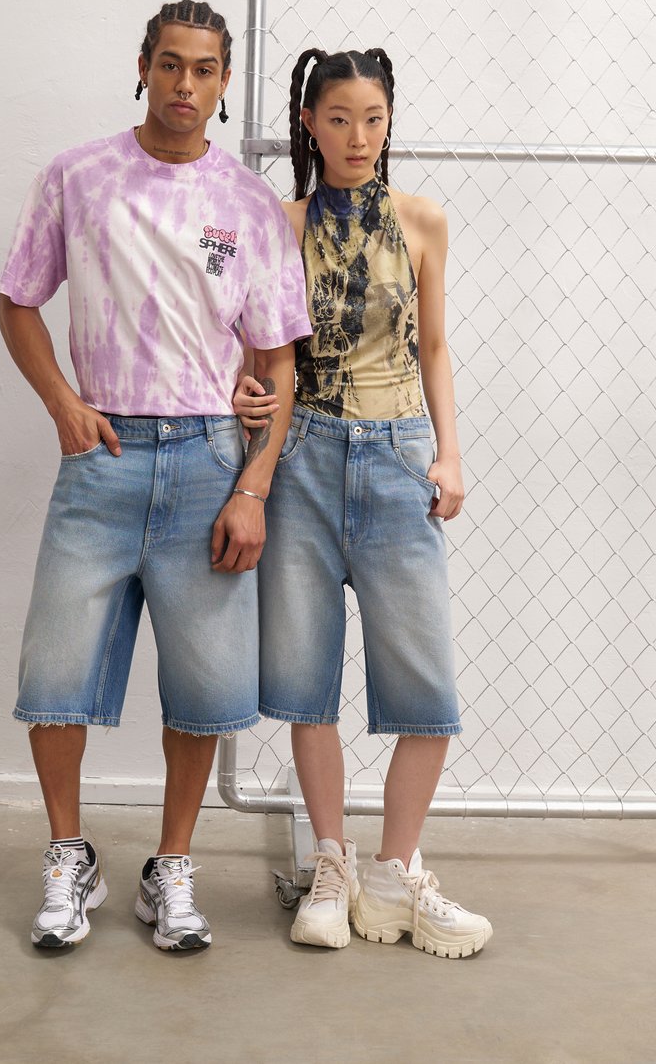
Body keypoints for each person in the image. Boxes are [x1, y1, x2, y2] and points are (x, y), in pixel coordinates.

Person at [0, 0, 310, 953]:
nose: (185, 84)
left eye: (205, 69)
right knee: (54, 674)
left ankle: (171, 867)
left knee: (205, 687)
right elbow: (17, 302)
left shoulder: (249, 204)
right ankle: (69, 855)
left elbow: (277, 359)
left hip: (210, 462)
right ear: (143, 66)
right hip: (101, 459)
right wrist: (63, 403)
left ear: (224, 82)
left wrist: (253, 485)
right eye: (170, 64)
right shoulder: (78, 176)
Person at [235, 48, 492, 958]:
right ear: (309, 124)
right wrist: (246, 397)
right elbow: (262, 349)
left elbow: (434, 348)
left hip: (397, 456)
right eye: (339, 118)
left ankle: (392, 874)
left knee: (425, 689)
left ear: (390, 122)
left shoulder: (422, 221)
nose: (358, 137)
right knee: (306, 679)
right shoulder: (280, 223)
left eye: (373, 119)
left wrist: (449, 453)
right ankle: (330, 865)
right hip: (301, 457)